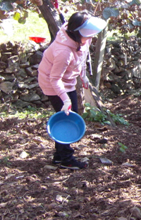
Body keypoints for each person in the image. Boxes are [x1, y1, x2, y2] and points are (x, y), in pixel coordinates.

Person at [38, 11, 106, 170]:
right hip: (51, 82)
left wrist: (83, 78)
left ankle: (58, 157)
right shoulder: (64, 52)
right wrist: (65, 100)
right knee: (68, 118)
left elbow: (82, 59)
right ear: (77, 34)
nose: (91, 38)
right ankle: (66, 159)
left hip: (67, 80)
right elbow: (55, 79)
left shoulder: (83, 39)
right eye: (88, 34)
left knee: (70, 115)